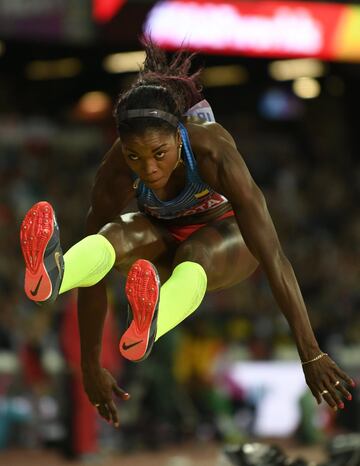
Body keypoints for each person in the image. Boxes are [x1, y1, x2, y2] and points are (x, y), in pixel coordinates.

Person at [20, 39, 355, 428]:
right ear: (121, 148)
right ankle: (54, 273)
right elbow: (94, 280)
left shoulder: (214, 154)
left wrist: (310, 351)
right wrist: (90, 363)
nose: (148, 169)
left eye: (159, 153)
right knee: (113, 235)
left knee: (197, 254)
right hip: (161, 239)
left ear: (180, 137)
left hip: (226, 239)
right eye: (134, 156)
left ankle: (154, 320)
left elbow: (274, 256)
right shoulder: (115, 170)